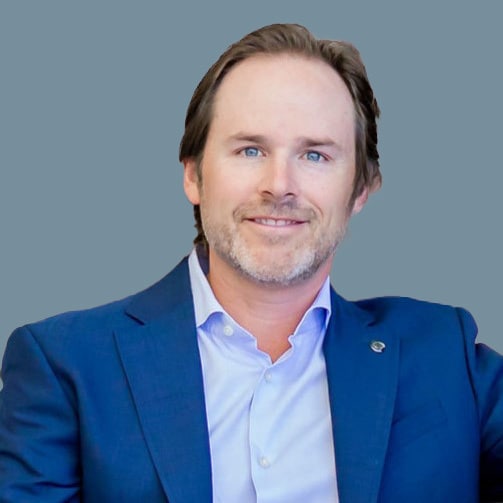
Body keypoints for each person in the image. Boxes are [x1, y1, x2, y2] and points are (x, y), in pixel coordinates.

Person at [0, 22, 502, 503]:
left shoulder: (445, 354)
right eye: (249, 150)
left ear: (360, 190)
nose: (279, 185)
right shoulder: (65, 365)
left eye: (315, 155)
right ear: (193, 176)